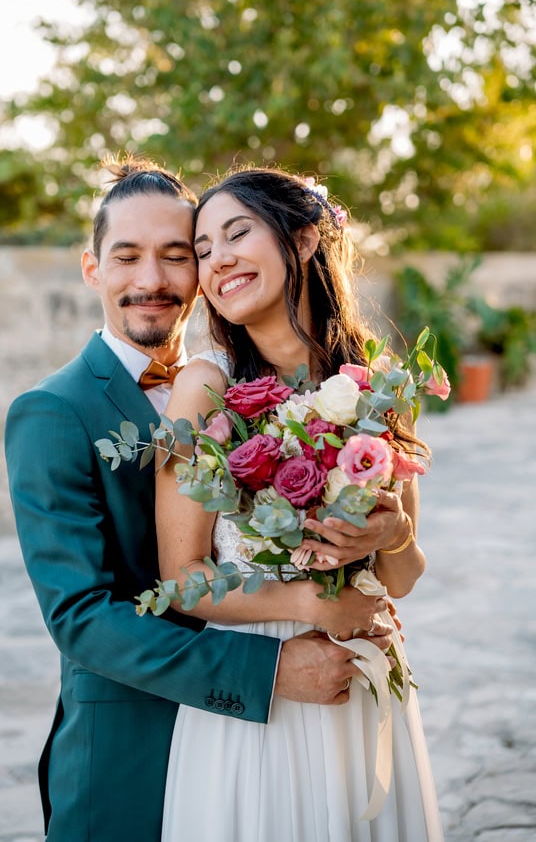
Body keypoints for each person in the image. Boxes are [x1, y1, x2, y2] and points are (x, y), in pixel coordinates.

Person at [4, 157, 395, 842]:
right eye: (126, 257)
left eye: (176, 255)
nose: (151, 280)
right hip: (129, 754)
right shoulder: (52, 410)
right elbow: (81, 618)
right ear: (92, 268)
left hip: (279, 744)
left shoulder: (236, 386)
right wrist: (270, 668)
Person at [156, 167, 444, 841]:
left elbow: (402, 579)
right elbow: (179, 579)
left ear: (305, 239)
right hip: (263, 687)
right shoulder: (204, 388)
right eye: (202, 249)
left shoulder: (378, 387)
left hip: (365, 675)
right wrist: (310, 605)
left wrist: (392, 535)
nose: (217, 258)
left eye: (237, 233)